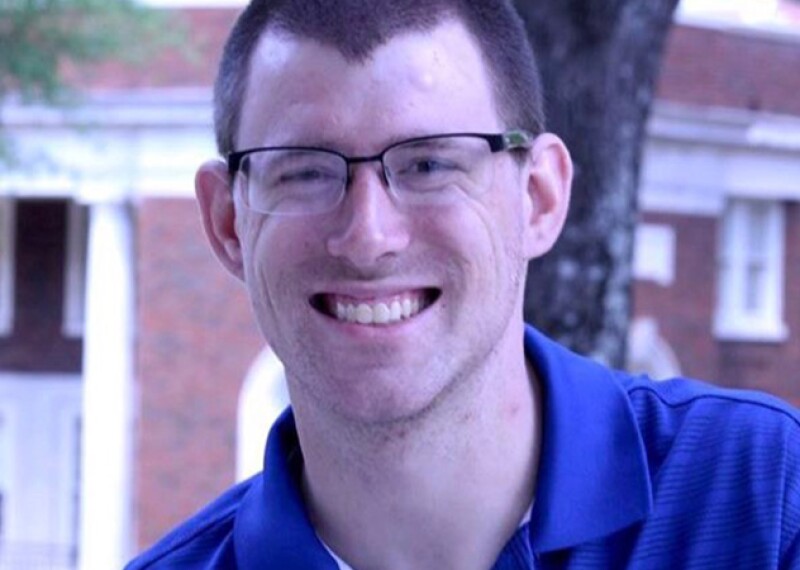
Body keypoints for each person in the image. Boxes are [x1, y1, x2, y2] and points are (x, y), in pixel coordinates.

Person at [126, 0, 800, 568]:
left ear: (538, 199)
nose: (368, 236)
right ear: (228, 222)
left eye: (429, 165)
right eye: (304, 171)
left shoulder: (765, 500)